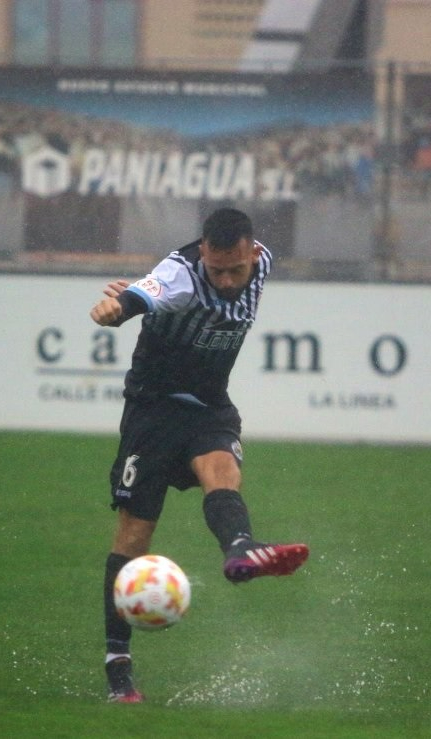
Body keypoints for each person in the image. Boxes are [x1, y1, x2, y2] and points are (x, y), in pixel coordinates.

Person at [89, 207, 309, 702]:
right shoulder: (182, 276)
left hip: (209, 406)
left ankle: (240, 549)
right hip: (152, 411)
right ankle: (118, 666)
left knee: (223, 472)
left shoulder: (265, 262)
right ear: (203, 253)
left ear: (254, 253)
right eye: (217, 270)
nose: (228, 280)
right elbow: (141, 297)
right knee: (134, 535)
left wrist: (134, 294)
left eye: (237, 269)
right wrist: (116, 308)